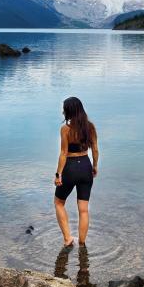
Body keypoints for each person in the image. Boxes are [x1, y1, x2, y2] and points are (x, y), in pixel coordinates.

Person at [54, 96, 99, 247]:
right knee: (84, 210)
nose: (62, 111)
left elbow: (63, 153)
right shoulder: (90, 127)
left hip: (71, 168)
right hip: (86, 166)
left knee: (59, 202)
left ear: (69, 111)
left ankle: (68, 238)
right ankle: (82, 243)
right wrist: (94, 166)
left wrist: (58, 174)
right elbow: (96, 150)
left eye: (64, 109)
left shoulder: (65, 129)